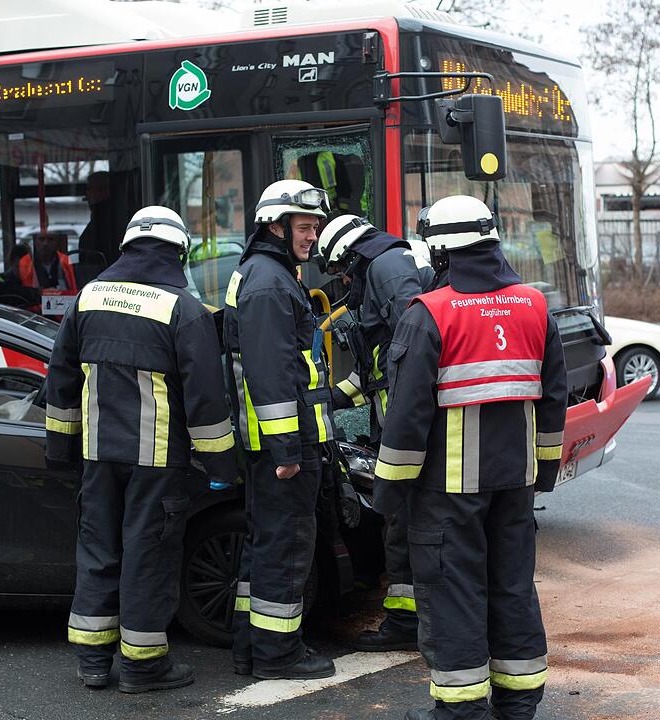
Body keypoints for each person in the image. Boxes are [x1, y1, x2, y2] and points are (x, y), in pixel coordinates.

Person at [372, 195, 568, 720]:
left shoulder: (429, 313)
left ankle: (460, 711)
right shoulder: (535, 305)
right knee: (513, 589)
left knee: (454, 595)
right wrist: (543, 471)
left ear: (439, 249)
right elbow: (553, 399)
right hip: (517, 485)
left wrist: (388, 492)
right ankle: (518, 704)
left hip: (447, 492)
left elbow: (407, 416)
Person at [44, 206, 238, 694]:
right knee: (147, 556)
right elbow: (206, 400)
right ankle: (143, 667)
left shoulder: (87, 298)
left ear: (128, 247)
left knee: (98, 550)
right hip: (155, 460)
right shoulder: (183, 309)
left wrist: (59, 451)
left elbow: (61, 381)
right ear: (178, 253)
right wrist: (221, 465)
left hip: (96, 455)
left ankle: (92, 662)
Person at [224, 179, 336, 681]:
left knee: (265, 545)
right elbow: (270, 375)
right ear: (276, 225)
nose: (313, 236)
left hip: (272, 446)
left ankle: (253, 648)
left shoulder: (268, 273)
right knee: (286, 548)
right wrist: (287, 450)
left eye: (314, 227)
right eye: (306, 227)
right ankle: (278, 655)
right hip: (284, 450)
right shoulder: (270, 283)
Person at [317, 214, 435, 652]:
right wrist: (332, 397)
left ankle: (407, 624)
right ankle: (412, 617)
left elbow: (411, 344)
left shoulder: (386, 268)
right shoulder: (390, 267)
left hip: (404, 434)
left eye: (341, 269)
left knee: (401, 523)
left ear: (351, 253)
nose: (344, 279)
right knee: (399, 522)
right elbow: (376, 371)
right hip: (396, 424)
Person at [0, 243, 40, 308]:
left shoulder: (37, 282)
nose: (22, 271)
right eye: (18, 267)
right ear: (11, 263)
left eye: (26, 267)